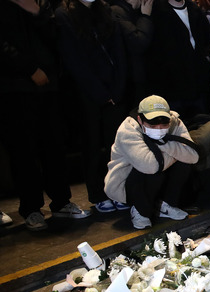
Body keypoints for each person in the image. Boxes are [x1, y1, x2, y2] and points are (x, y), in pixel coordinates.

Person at [1, 0, 92, 231]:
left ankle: (61, 201)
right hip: (16, 86)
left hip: (50, 84)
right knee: (23, 152)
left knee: (54, 146)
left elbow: (55, 35)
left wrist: (37, 12)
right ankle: (31, 209)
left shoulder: (42, 2)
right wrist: (30, 69)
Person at [56, 0, 128, 215]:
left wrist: (117, 89)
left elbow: (120, 53)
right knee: (92, 146)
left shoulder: (106, 10)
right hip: (87, 94)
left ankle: (118, 191)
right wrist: (101, 94)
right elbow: (74, 60)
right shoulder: (63, 15)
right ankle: (98, 194)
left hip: (114, 91)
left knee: (116, 145)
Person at [105, 95, 199, 229]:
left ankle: (165, 205)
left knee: (184, 164)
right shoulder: (127, 129)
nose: (159, 128)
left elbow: (193, 156)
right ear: (140, 119)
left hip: (157, 168)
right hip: (127, 179)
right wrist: (176, 151)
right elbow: (150, 166)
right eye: (152, 124)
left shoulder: (175, 121)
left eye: (164, 124)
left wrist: (163, 146)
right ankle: (140, 210)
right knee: (153, 170)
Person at [146, 0, 210, 119]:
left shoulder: (195, 10)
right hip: (172, 87)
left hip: (199, 84)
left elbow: (207, 42)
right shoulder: (157, 12)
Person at [111, 0, 154, 104]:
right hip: (131, 82)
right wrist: (146, 16)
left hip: (143, 78)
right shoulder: (116, 11)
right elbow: (138, 42)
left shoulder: (136, 11)